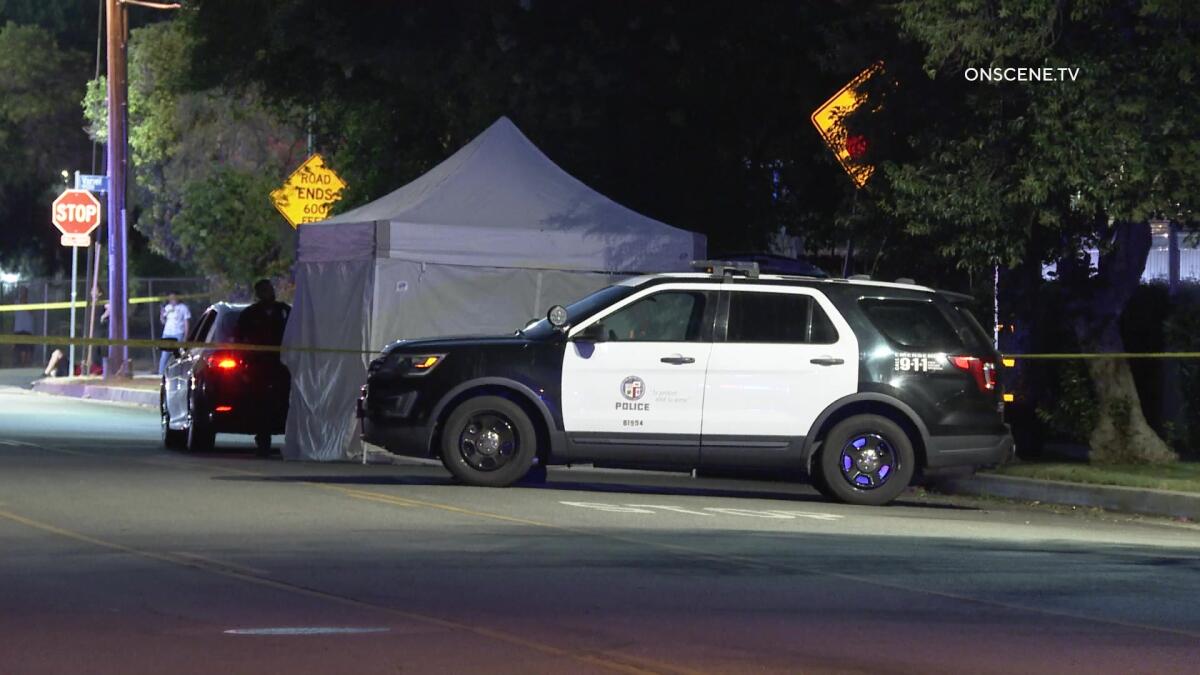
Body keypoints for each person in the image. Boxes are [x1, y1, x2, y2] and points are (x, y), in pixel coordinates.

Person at [236, 279, 290, 457]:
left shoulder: (284, 311)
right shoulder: (250, 315)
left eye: (270, 289)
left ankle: (290, 440)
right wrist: (244, 368)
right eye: (264, 291)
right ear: (258, 294)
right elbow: (239, 341)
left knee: (284, 402)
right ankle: (263, 442)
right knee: (261, 405)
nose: (269, 293)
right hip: (258, 367)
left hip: (282, 366)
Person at [158, 291, 191, 375]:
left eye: (174, 298)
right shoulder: (167, 307)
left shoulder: (183, 308)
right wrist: (161, 315)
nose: (172, 300)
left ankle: (179, 374)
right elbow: (163, 321)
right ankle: (160, 374)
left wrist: (185, 336)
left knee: (177, 355)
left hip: (178, 333)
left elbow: (186, 323)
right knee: (164, 356)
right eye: (170, 298)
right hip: (167, 334)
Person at [12, 286, 35, 367]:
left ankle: (26, 364)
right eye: (21, 292)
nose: (22, 294)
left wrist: (25, 302)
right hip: (18, 328)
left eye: (24, 292)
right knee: (19, 347)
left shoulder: (30, 302)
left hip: (27, 329)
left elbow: (32, 312)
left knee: (27, 347)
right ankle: (19, 364)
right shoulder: (16, 302)